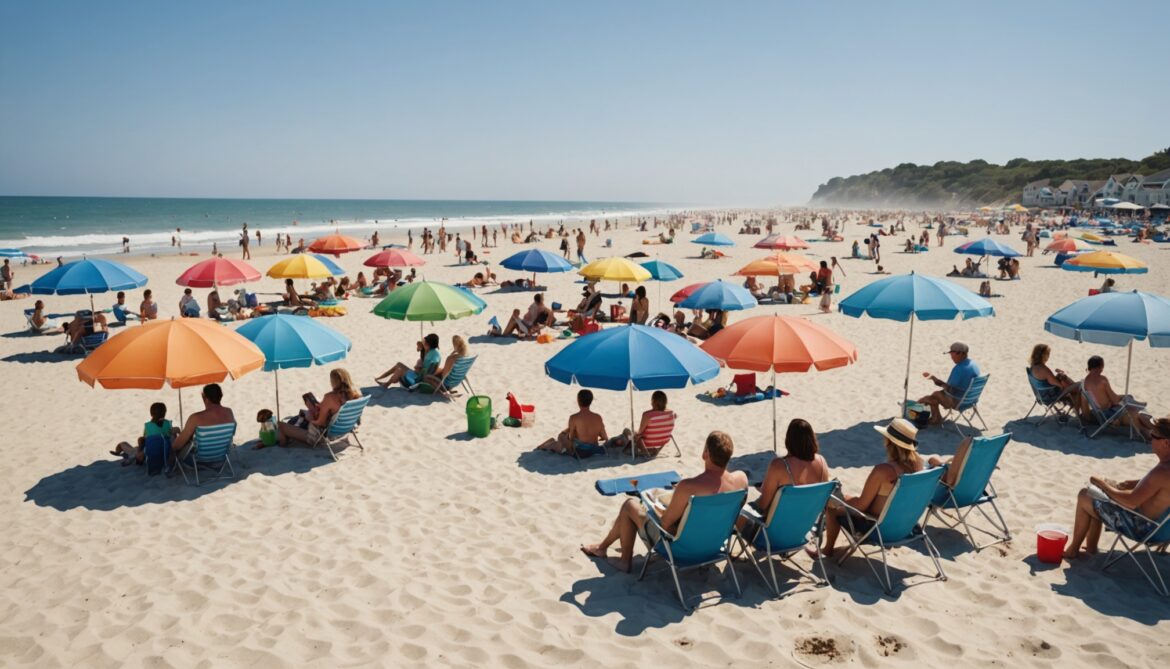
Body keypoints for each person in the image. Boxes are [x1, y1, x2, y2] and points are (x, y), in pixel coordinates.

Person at [581, 431, 749, 572]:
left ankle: (623, 561)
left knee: (629, 505)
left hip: (682, 551)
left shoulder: (689, 486)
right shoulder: (741, 480)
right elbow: (733, 515)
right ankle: (602, 547)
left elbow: (665, 524)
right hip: (714, 546)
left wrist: (657, 509)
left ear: (705, 454)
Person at [1064, 417, 1170, 560]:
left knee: (1086, 494)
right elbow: (1159, 489)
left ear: (1166, 443)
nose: (1150, 437)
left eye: (1153, 435)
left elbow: (1132, 501)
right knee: (1099, 494)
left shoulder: (1162, 471)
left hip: (1141, 527)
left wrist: (1103, 484)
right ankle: (1091, 548)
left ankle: (1073, 550)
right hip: (1163, 530)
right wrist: (1131, 484)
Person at [820, 418, 924, 556]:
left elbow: (861, 506)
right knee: (844, 498)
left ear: (889, 442)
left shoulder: (883, 471)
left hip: (877, 528)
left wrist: (838, 499)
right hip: (904, 526)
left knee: (832, 505)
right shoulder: (919, 465)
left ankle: (827, 550)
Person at [746, 419, 831, 529]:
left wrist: (765, 491)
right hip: (806, 529)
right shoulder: (822, 462)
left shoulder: (779, 466)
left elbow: (763, 504)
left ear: (789, 441)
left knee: (742, 514)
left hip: (777, 531)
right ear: (812, 439)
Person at [274, 369, 361, 448]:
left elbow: (320, 423)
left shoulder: (330, 397)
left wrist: (310, 418)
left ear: (334, 382)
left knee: (280, 425)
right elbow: (357, 420)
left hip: (321, 436)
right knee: (303, 414)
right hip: (344, 431)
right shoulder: (356, 395)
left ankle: (282, 445)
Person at [1080, 355, 1155, 440]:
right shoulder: (1102, 380)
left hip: (1100, 413)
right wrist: (1122, 397)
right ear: (1101, 366)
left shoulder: (1084, 382)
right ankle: (1144, 431)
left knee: (1128, 398)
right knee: (1131, 405)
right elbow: (1115, 400)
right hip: (1109, 413)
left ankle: (1140, 409)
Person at [535, 389, 618, 456]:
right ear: (591, 401)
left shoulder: (574, 418)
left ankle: (545, 445)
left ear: (578, 401)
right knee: (561, 439)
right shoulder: (598, 417)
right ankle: (550, 443)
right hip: (594, 448)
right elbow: (605, 437)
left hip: (580, 451)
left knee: (561, 438)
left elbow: (571, 438)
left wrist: (569, 432)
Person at [918, 342, 981, 427]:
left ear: (961, 353)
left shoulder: (960, 368)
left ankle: (936, 419)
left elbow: (949, 388)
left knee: (931, 397)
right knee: (935, 395)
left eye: (952, 354)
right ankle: (936, 418)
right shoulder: (973, 364)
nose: (951, 357)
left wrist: (934, 379)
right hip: (971, 400)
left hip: (959, 401)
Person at [170, 383, 235, 462]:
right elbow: (232, 434)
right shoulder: (229, 412)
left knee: (171, 439)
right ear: (220, 396)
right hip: (221, 457)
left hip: (200, 460)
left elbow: (177, 446)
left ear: (206, 399)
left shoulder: (196, 418)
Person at [111, 402, 178, 466]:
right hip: (165, 451)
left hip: (149, 452)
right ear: (164, 413)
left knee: (125, 444)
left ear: (151, 414)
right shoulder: (168, 423)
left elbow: (146, 438)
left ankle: (123, 452)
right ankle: (132, 454)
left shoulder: (148, 425)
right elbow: (171, 434)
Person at [375, 333, 441, 388]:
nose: (424, 343)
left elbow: (426, 373)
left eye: (426, 343)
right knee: (399, 365)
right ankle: (383, 380)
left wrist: (418, 369)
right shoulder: (434, 353)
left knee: (399, 369)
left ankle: (385, 383)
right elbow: (429, 369)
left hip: (417, 380)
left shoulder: (430, 356)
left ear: (429, 344)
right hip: (419, 377)